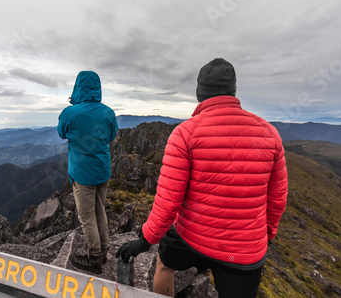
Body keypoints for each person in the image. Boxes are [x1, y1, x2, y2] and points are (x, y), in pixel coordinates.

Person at [116, 58, 288, 297]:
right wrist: (267, 233)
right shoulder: (270, 134)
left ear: (199, 93)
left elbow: (168, 201)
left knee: (164, 264)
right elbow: (277, 197)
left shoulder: (185, 133)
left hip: (192, 239)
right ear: (233, 91)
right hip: (244, 249)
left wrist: (144, 241)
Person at [58, 70, 118, 274]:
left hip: (82, 174)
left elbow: (61, 132)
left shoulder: (70, 113)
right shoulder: (108, 112)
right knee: (99, 210)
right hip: (103, 171)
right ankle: (104, 247)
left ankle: (94, 257)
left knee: (86, 216)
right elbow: (112, 136)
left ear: (78, 88)